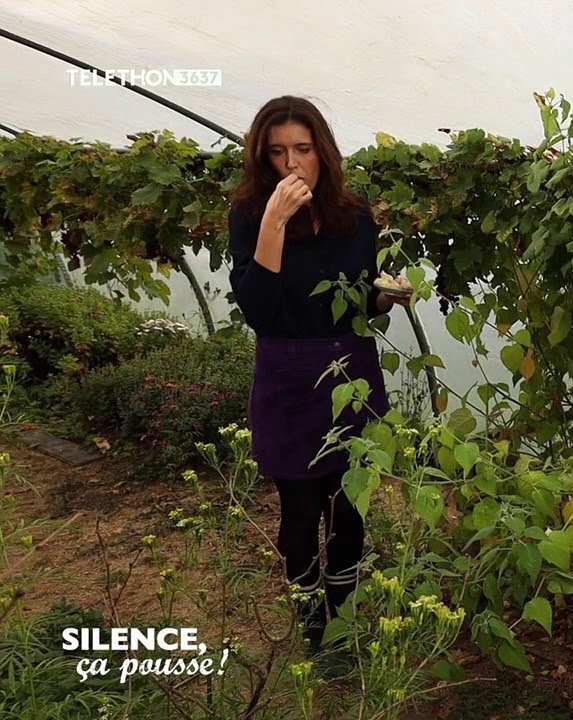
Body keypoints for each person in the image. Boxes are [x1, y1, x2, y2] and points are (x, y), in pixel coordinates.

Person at [228, 95, 405, 652]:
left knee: (349, 503)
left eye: (302, 149)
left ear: (322, 153)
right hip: (286, 370)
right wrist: (275, 221)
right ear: (262, 158)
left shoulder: (355, 220)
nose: (291, 164)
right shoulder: (251, 215)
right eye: (277, 152)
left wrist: (385, 297)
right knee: (301, 508)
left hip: (349, 366)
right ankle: (312, 628)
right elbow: (258, 308)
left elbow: (358, 305)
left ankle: (344, 621)